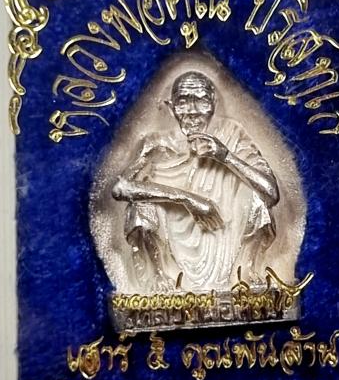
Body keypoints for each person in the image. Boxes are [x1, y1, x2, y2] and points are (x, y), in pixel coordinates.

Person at [112, 70, 280, 292]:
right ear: (171, 107)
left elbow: (270, 192)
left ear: (213, 104)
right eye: (183, 102)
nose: (192, 111)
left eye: (201, 101)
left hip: (226, 224)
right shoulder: (156, 142)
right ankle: (159, 276)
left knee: (257, 199)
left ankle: (247, 272)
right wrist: (188, 199)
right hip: (171, 228)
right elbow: (121, 188)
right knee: (141, 207)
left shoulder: (231, 133)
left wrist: (225, 156)